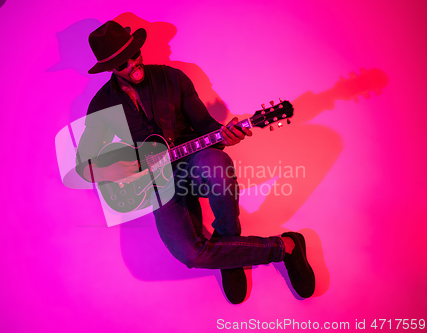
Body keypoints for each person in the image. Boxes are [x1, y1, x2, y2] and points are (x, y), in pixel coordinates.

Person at [75, 20, 315, 303]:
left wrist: (228, 136)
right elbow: (82, 165)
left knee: (216, 164)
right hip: (156, 183)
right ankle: (283, 247)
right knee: (190, 253)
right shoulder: (102, 104)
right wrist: (108, 168)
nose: (133, 64)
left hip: (195, 160)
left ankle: (228, 242)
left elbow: (206, 128)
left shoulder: (173, 78)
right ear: (111, 69)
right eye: (123, 64)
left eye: (135, 55)